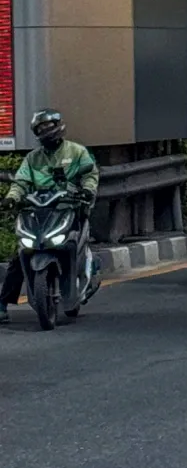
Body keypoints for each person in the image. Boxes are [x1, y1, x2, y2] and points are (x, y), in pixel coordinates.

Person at [0, 110, 100, 325]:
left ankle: (84, 275)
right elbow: (21, 183)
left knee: (74, 242)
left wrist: (87, 190)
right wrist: (11, 198)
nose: (46, 131)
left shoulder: (77, 151)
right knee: (21, 254)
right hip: (40, 210)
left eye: (48, 126)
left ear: (58, 126)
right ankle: (3, 302)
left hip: (69, 208)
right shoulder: (33, 158)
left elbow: (90, 174)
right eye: (41, 128)